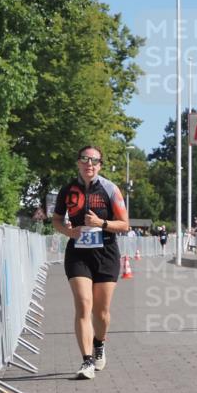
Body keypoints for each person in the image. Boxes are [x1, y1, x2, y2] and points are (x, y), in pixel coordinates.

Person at [52, 146, 130, 380]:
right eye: (85, 160)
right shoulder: (68, 190)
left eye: (94, 161)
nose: (89, 164)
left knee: (102, 312)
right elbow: (56, 220)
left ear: (100, 166)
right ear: (78, 163)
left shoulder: (110, 189)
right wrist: (68, 231)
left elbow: (125, 225)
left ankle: (99, 343)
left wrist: (101, 223)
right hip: (78, 253)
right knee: (84, 304)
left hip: (105, 252)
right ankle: (86, 361)